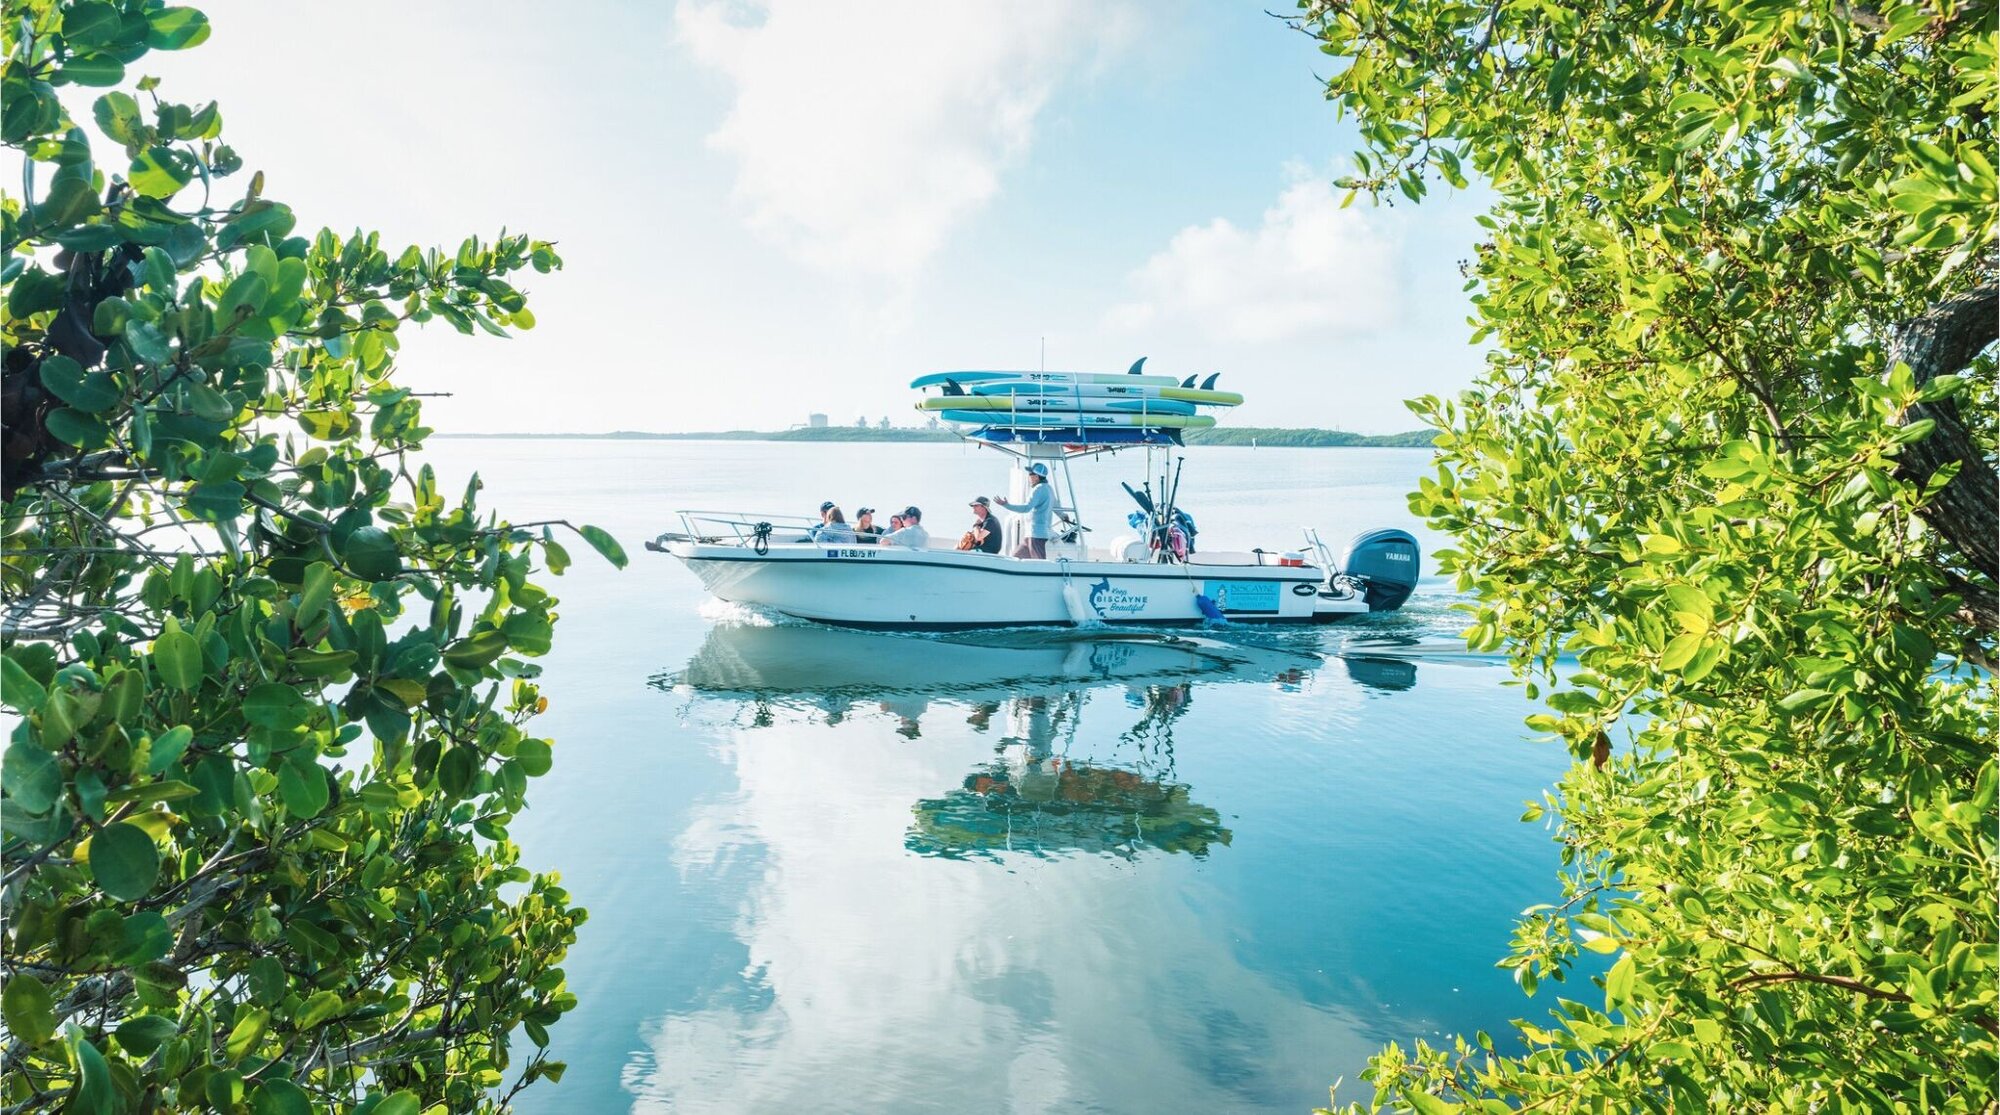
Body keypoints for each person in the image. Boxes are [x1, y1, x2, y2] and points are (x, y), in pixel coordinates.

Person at [993, 462, 1054, 559]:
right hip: (1032, 534)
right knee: (1015, 557)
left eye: (1030, 474)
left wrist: (1006, 505)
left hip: (1036, 534)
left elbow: (1026, 508)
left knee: (1039, 563)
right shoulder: (1049, 489)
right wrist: (1064, 516)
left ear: (1037, 477)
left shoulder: (1038, 489)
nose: (1029, 477)